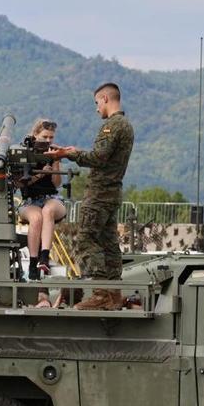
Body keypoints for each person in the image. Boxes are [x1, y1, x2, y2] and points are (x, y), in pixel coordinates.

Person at [52, 82, 134, 311]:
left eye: (97, 103)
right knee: (109, 243)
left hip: (99, 194)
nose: (97, 108)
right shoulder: (126, 125)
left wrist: (70, 154)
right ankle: (114, 293)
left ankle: (100, 293)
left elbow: (98, 157)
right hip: (113, 192)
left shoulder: (112, 126)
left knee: (86, 239)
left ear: (106, 99)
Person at [16, 118, 68, 279]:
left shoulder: (52, 153)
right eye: (45, 137)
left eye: (51, 137)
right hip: (30, 200)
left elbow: (57, 184)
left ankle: (44, 256)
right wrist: (40, 174)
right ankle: (33, 261)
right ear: (35, 134)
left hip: (50, 198)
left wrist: (56, 163)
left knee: (48, 211)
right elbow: (21, 183)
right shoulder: (25, 153)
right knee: (36, 218)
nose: (48, 140)